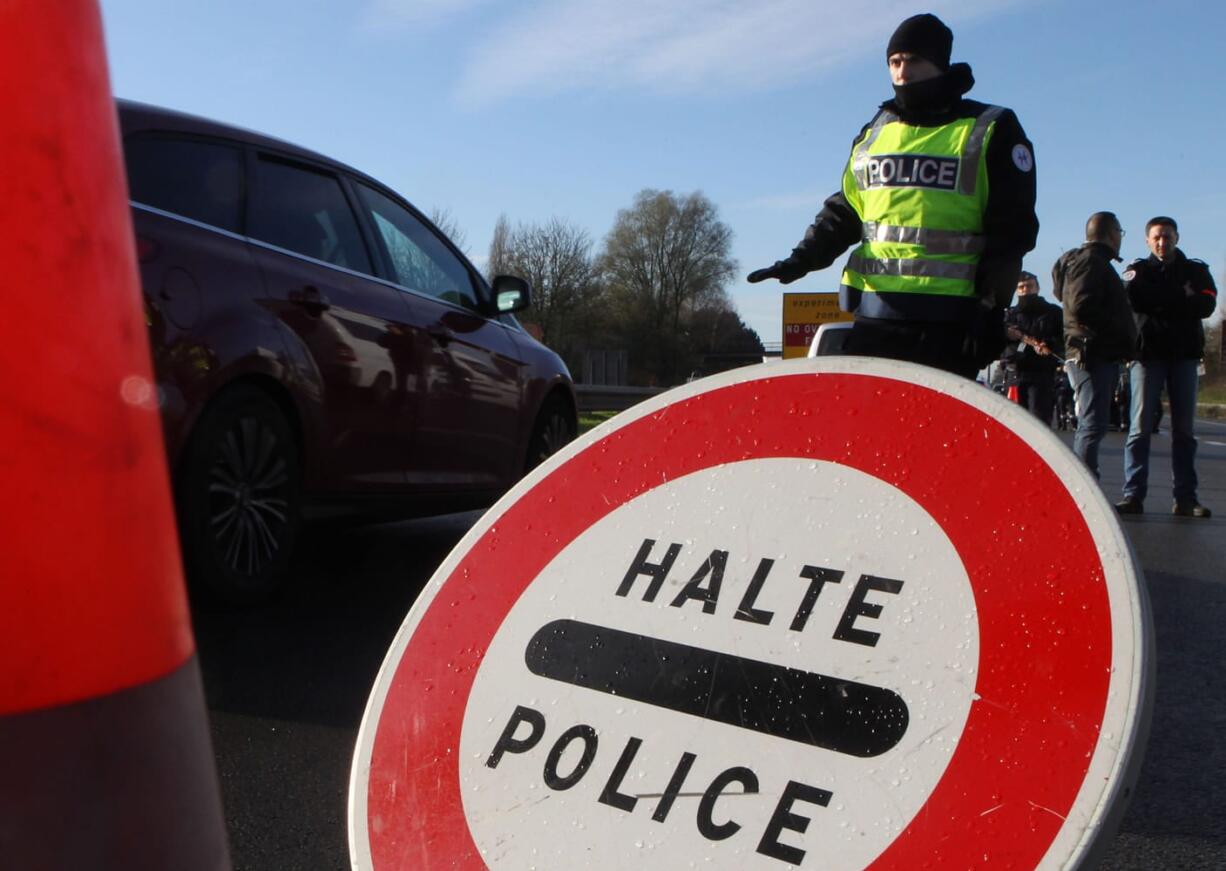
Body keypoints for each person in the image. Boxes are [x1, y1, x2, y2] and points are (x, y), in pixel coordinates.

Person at [746, 13, 1038, 378]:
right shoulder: (876, 131)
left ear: (939, 63)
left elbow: (1012, 231)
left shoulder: (991, 128)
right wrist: (802, 259)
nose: (902, 72)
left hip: (949, 320)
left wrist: (991, 310)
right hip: (876, 314)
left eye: (913, 60)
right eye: (894, 62)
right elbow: (848, 211)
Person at [1116, 216, 1218, 517]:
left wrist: (1158, 300)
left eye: (1168, 237)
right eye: (1157, 237)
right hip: (1147, 358)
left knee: (1184, 432)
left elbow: (1206, 305)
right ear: (1148, 240)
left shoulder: (1196, 270)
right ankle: (1133, 495)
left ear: (1177, 238)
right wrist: (1180, 297)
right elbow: (1132, 298)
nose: (1163, 242)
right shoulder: (1138, 270)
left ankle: (1185, 498)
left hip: (1184, 357)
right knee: (1139, 430)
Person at [1053, 212, 1137, 479]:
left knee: (1093, 423)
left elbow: (1066, 297)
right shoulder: (1092, 261)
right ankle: (1084, 487)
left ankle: (1085, 483)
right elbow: (1081, 305)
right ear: (1112, 234)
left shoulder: (1082, 261)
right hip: (1091, 353)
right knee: (1092, 424)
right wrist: (1116, 328)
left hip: (1089, 352)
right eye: (1119, 233)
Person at [1000, 270, 1063, 425]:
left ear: (1037, 288)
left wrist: (1049, 344)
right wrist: (1007, 334)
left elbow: (1063, 338)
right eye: (1021, 287)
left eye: (1029, 286)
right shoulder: (1009, 315)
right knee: (1014, 421)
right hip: (1015, 372)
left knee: (1039, 419)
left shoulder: (1053, 313)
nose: (1025, 290)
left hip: (1041, 372)